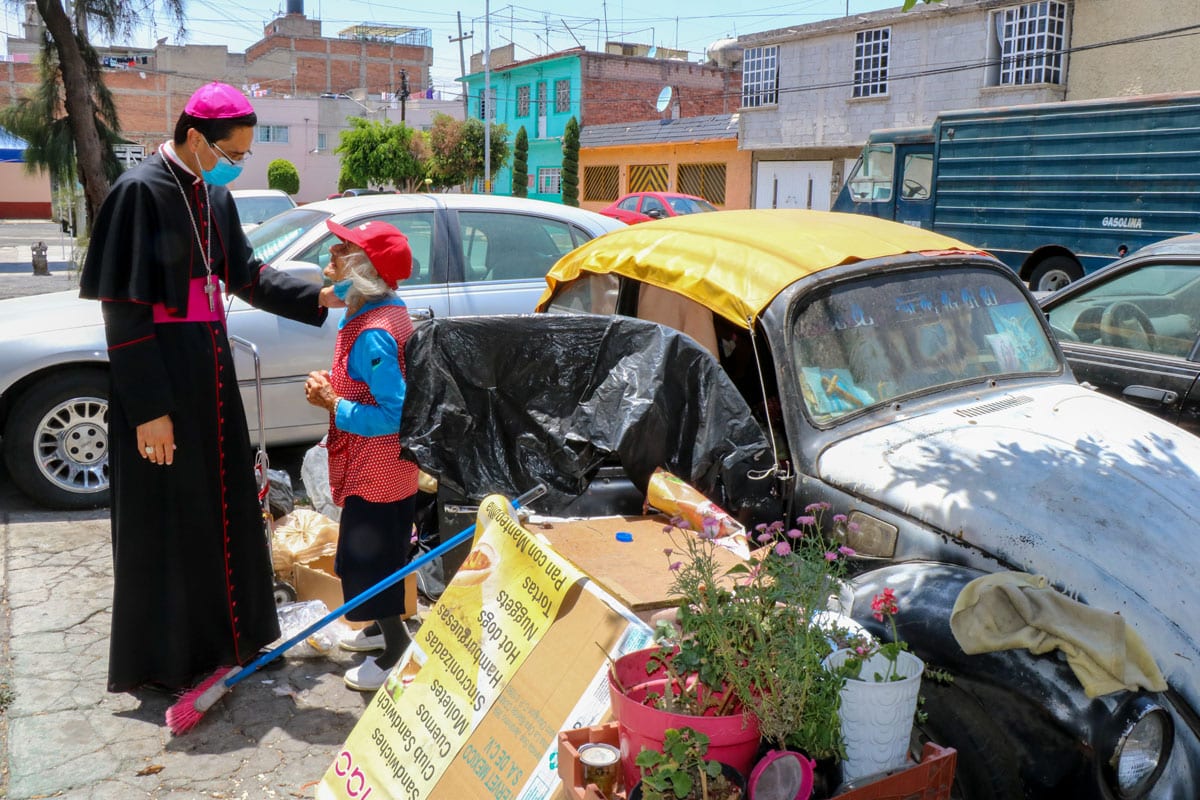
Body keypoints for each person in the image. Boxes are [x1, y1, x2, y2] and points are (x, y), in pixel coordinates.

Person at [79, 82, 343, 694]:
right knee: (171, 516)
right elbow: (123, 310)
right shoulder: (137, 193)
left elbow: (247, 276)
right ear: (197, 137)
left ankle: (235, 640)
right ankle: (172, 660)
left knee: (225, 505)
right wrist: (149, 410)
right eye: (235, 152)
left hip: (211, 371)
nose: (239, 164)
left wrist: (322, 295)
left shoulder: (214, 196)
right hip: (161, 377)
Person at [303, 219, 419, 691]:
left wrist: (334, 403)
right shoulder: (382, 308)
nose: (331, 255)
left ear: (365, 269)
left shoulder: (374, 332)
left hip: (380, 468)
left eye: (342, 249)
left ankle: (396, 648)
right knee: (384, 549)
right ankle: (376, 629)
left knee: (367, 561)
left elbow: (394, 413)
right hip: (386, 467)